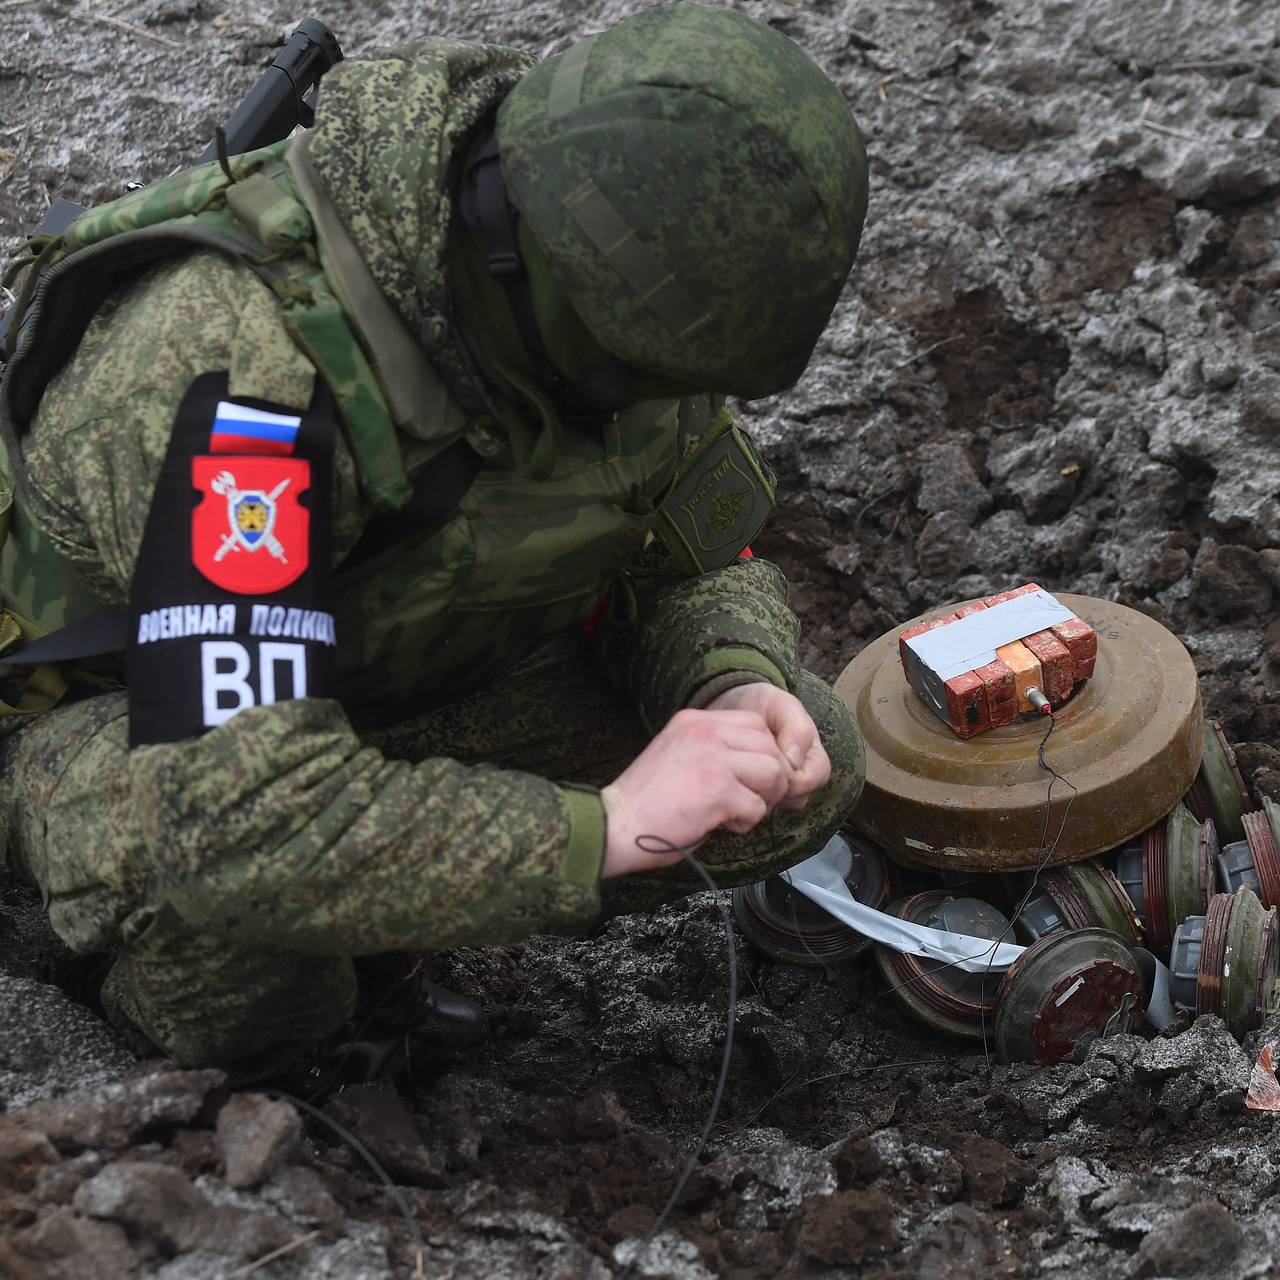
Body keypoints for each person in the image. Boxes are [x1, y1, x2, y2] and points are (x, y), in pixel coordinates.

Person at [0, 3, 869, 1082]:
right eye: (642, 375)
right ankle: (136, 982)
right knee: (261, 979)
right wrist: (599, 828)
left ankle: (388, 891)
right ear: (544, 276)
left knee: (799, 764)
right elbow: (236, 827)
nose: (664, 403)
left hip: (359, 690)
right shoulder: (240, 379)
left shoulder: (610, 304)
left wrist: (728, 677)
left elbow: (684, 563)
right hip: (123, 725)